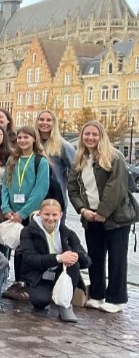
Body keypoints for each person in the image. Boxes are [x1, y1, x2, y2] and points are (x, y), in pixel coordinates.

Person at [67, 121, 135, 313]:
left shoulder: (114, 157)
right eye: (86, 134)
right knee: (94, 257)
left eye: (94, 134)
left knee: (117, 257)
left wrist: (103, 213)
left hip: (116, 217)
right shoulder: (79, 159)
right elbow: (72, 189)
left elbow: (117, 187)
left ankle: (116, 298)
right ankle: (97, 294)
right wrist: (83, 210)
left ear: (101, 136)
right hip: (90, 216)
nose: (90, 138)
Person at [18, 199, 90, 322]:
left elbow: (87, 261)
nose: (50, 218)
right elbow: (30, 259)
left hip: (60, 273)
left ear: (60, 215)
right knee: (40, 301)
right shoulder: (28, 232)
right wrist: (59, 258)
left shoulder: (68, 233)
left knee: (73, 264)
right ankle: (46, 294)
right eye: (47, 214)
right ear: (40, 214)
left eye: (54, 215)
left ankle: (65, 305)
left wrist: (75, 255)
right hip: (38, 274)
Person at [1, 125, 50, 300]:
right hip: (13, 212)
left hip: (30, 214)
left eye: (26, 138)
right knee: (18, 248)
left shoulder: (40, 161)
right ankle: (19, 281)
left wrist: (23, 212)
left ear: (34, 139)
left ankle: (30, 282)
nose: (22, 141)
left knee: (30, 248)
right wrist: (6, 208)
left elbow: (40, 190)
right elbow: (5, 185)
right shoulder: (12, 160)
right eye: (20, 138)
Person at [37, 110, 75, 210]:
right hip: (34, 197)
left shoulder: (63, 146)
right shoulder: (31, 143)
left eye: (48, 120)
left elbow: (75, 170)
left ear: (54, 123)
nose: (44, 122)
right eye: (41, 119)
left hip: (56, 197)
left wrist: (69, 187)